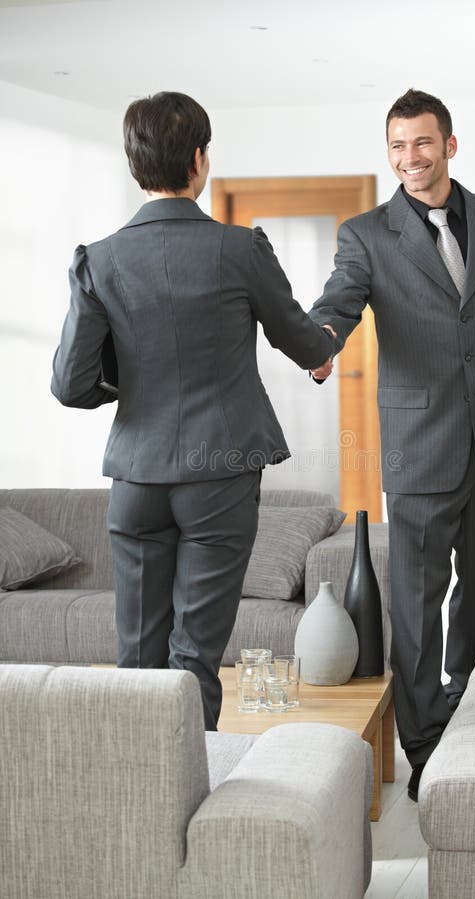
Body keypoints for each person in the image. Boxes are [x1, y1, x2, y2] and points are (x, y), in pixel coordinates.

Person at [309, 88, 475, 801]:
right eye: (396, 147)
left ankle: (468, 712)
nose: (408, 159)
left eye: (420, 144)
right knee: (417, 614)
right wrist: (320, 342)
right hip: (419, 448)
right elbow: (339, 302)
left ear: (448, 146)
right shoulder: (366, 234)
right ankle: (425, 752)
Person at [51, 91, 334, 731]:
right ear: (200, 161)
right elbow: (307, 343)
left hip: (137, 477)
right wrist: (325, 347)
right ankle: (188, 805)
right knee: (194, 659)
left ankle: (140, 806)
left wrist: (132, 387)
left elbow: (71, 384)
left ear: (135, 166)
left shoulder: (99, 260)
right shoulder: (240, 250)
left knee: (139, 662)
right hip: (221, 473)